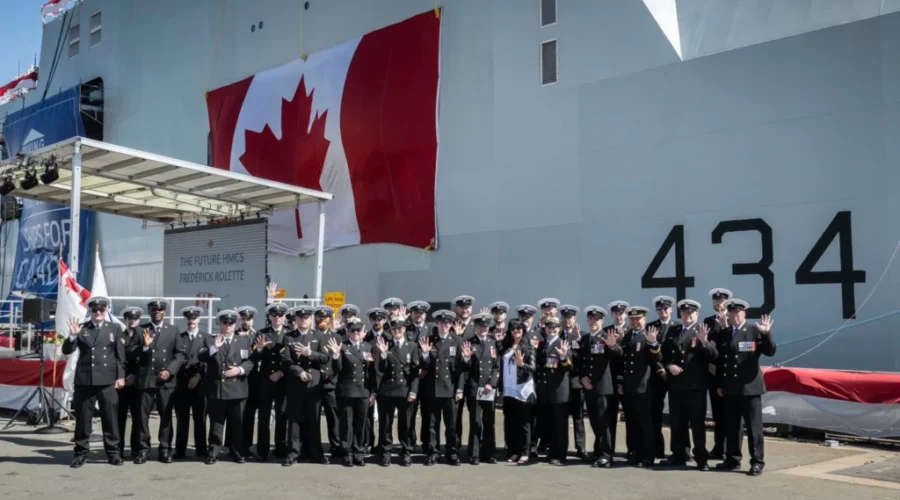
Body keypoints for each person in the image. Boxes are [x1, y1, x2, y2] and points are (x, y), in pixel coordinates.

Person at [62, 296, 126, 468]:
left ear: (107, 310)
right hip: (85, 380)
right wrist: (72, 337)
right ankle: (80, 453)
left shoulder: (115, 328)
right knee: (83, 420)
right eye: (94, 310)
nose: (98, 313)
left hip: (107, 380)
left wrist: (121, 376)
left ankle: (113, 453)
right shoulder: (82, 329)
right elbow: (67, 350)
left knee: (110, 419)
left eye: (101, 310)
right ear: (89, 311)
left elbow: (120, 356)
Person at [715, 299, 775, 476]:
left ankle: (757, 461)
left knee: (754, 427)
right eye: (731, 313)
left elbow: (770, 351)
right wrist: (720, 384)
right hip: (731, 388)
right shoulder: (725, 333)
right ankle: (733, 459)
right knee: (732, 426)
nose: (735, 316)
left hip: (750, 388)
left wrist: (766, 334)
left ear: (744, 314)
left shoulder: (754, 331)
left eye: (738, 313)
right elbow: (721, 361)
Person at [661, 299, 717, 470]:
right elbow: (664, 354)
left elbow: (713, 355)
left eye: (691, 313)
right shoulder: (673, 330)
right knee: (677, 423)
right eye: (684, 313)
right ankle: (679, 454)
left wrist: (704, 341)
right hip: (676, 385)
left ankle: (701, 458)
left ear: (697, 314)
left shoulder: (703, 330)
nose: (687, 316)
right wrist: (669, 365)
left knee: (697, 424)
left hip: (695, 386)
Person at [128, 298, 185, 464]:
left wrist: (170, 370)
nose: (157, 312)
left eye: (160, 310)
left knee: (166, 417)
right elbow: (131, 353)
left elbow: (180, 354)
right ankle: (143, 450)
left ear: (164, 312)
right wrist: (144, 347)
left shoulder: (173, 330)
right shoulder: (140, 330)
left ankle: (165, 450)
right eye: (154, 310)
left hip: (165, 381)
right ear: (149, 311)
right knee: (141, 417)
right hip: (145, 380)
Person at [199, 310, 255, 465]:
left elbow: (251, 361)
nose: (228, 325)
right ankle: (214, 452)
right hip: (218, 389)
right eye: (225, 322)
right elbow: (201, 357)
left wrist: (240, 370)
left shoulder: (244, 340)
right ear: (220, 324)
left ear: (236, 324)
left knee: (237, 423)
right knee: (216, 423)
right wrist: (214, 348)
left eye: (231, 323)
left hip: (237, 389)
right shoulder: (211, 340)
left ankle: (236, 452)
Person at [280, 305, 330, 465]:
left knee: (313, 419)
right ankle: (293, 453)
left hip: (314, 384)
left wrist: (311, 354)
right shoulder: (289, 337)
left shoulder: (319, 336)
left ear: (311, 319)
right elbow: (286, 360)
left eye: (307, 317)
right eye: (300, 317)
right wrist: (299, 371)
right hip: (296, 383)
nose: (304, 319)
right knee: (294, 420)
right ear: (296, 319)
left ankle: (315, 452)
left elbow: (325, 358)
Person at [325, 319, 377, 467]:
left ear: (363, 333)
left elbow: (372, 372)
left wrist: (373, 392)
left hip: (363, 391)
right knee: (346, 425)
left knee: (361, 424)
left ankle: (358, 453)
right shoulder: (343, 347)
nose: (355, 334)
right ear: (348, 333)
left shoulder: (368, 347)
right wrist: (335, 356)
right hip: (347, 391)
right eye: (352, 331)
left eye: (358, 331)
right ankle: (346, 453)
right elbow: (338, 369)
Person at [419, 309, 466, 466]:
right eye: (441, 322)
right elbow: (424, 367)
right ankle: (434, 452)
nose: (444, 325)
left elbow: (460, 369)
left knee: (451, 425)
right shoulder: (430, 340)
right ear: (437, 323)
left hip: (450, 390)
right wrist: (425, 355)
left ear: (451, 324)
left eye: (447, 323)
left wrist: (459, 389)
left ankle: (452, 452)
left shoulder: (457, 341)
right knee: (432, 424)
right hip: (433, 389)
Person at [373, 315, 420, 467]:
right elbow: (379, 370)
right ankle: (386, 453)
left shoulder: (412, 346)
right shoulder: (384, 345)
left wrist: (413, 391)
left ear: (404, 329)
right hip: (387, 390)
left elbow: (414, 372)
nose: (397, 331)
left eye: (399, 328)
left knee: (406, 424)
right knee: (385, 424)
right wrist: (383, 355)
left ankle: (406, 452)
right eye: (394, 329)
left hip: (405, 391)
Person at [617, 306, 660, 467]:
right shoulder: (627, 336)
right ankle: (636, 453)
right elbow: (622, 362)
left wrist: (654, 343)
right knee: (632, 422)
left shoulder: (648, 335)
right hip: (628, 387)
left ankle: (648, 455)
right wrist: (620, 382)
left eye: (638, 319)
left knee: (645, 423)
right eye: (632, 320)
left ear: (644, 320)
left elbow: (657, 356)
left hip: (643, 387)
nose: (635, 322)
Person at [579, 306, 621, 468]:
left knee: (604, 422)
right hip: (588, 386)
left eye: (596, 319)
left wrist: (612, 346)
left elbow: (618, 355)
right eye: (591, 319)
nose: (593, 322)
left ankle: (606, 455)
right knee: (594, 421)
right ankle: (598, 451)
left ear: (602, 321)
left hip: (604, 387)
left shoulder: (607, 337)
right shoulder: (584, 339)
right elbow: (581, 362)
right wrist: (583, 377)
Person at [459, 312, 500, 465]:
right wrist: (467, 358)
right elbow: (465, 368)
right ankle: (474, 454)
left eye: (485, 326)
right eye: (480, 326)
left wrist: (492, 383)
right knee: (475, 421)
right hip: (475, 388)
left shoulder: (493, 342)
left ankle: (489, 453)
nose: (483, 329)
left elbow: (497, 367)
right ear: (475, 327)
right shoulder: (469, 343)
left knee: (489, 422)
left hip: (489, 389)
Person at [251, 302, 290, 462]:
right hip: (266, 380)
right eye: (274, 315)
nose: (277, 318)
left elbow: (293, 359)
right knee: (264, 416)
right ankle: (262, 449)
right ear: (269, 317)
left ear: (284, 317)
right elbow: (255, 358)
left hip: (283, 380)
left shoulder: (290, 333)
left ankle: (280, 448)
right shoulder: (262, 333)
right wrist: (259, 348)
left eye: (280, 315)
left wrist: (281, 373)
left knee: (282, 415)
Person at [534, 315, 573, 465]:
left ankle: (560, 455)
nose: (552, 330)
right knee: (550, 424)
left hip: (559, 391)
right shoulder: (542, 344)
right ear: (545, 328)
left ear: (559, 329)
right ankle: (552, 453)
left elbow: (569, 366)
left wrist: (563, 357)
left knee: (560, 426)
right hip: (545, 391)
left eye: (555, 327)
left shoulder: (563, 343)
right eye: (549, 327)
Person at [499, 319, 536, 465]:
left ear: (523, 331)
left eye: (519, 329)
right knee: (510, 422)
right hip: (508, 388)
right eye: (513, 329)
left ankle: (525, 451)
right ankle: (513, 451)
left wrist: (522, 365)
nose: (516, 331)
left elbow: (533, 368)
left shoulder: (529, 347)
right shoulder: (505, 346)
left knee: (524, 423)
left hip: (523, 388)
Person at [173, 306, 209, 459]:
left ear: (199, 320)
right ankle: (180, 450)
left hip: (199, 384)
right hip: (181, 384)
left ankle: (201, 449)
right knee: (182, 418)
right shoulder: (179, 338)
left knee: (200, 418)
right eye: (189, 318)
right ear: (185, 320)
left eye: (194, 318)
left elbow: (209, 362)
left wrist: (198, 376)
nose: (191, 321)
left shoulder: (207, 338)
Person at [647, 295, 679, 459]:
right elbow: (649, 353)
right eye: (659, 309)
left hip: (675, 375)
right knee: (655, 415)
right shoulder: (651, 327)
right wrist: (661, 369)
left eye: (665, 308)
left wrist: (668, 367)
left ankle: (679, 452)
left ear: (671, 309)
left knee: (677, 416)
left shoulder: (679, 326)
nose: (662, 311)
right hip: (657, 376)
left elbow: (680, 352)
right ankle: (657, 450)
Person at [705, 287, 732, 459]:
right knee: (717, 414)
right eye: (715, 300)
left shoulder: (733, 320)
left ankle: (730, 449)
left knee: (731, 413)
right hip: (713, 374)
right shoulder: (708, 321)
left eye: (721, 300)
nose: (718, 303)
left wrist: (726, 326)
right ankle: (719, 447)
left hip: (730, 373)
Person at [559, 304, 587, 460]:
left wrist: (577, 340)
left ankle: (581, 448)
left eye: (570, 317)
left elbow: (584, 359)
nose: (567, 320)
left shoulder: (582, 336)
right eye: (564, 317)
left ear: (575, 318)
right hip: (560, 383)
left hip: (576, 382)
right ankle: (560, 448)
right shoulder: (557, 336)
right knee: (561, 417)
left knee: (578, 416)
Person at [403, 300, 432, 449]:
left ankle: (426, 443)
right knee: (410, 413)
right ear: (411, 314)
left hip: (428, 378)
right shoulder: (406, 329)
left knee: (427, 412)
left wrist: (425, 369)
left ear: (425, 314)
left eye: (421, 313)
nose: (418, 315)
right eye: (415, 312)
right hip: (411, 377)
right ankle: (409, 442)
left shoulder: (431, 330)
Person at [116, 306, 143, 458]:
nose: (132, 321)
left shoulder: (144, 334)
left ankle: (136, 448)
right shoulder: (120, 334)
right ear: (125, 320)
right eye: (130, 318)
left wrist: (135, 374)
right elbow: (117, 358)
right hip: (122, 382)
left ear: (139, 319)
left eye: (135, 318)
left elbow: (146, 359)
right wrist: (122, 377)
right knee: (120, 417)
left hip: (138, 382)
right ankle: (118, 448)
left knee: (138, 417)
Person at [604, 300, 629, 455]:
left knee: (631, 418)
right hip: (610, 380)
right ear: (612, 315)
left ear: (625, 314)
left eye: (621, 313)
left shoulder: (631, 330)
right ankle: (608, 449)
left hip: (628, 380)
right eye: (616, 313)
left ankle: (632, 450)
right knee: (609, 417)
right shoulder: (606, 331)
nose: (618, 316)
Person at [236, 305, 259, 457]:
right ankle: (234, 445)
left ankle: (248, 445)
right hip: (237, 379)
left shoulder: (258, 336)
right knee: (237, 414)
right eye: (243, 319)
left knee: (249, 414)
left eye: (248, 319)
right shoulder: (234, 334)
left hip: (254, 380)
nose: (246, 322)